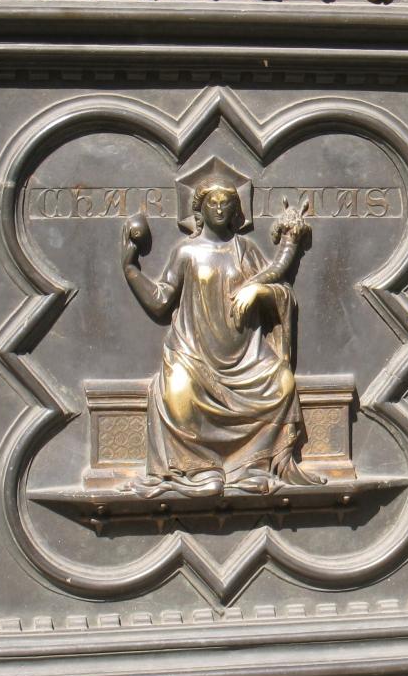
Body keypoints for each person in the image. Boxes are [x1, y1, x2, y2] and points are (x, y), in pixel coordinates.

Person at [120, 180, 317, 496]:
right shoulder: (186, 251)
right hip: (193, 355)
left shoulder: (245, 249)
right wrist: (131, 268)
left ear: (236, 210)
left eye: (227, 202)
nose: (220, 208)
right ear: (199, 210)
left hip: (246, 357)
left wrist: (259, 291)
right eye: (212, 202)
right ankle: (198, 469)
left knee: (282, 384)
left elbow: (280, 289)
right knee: (178, 393)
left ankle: (249, 466)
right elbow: (160, 301)